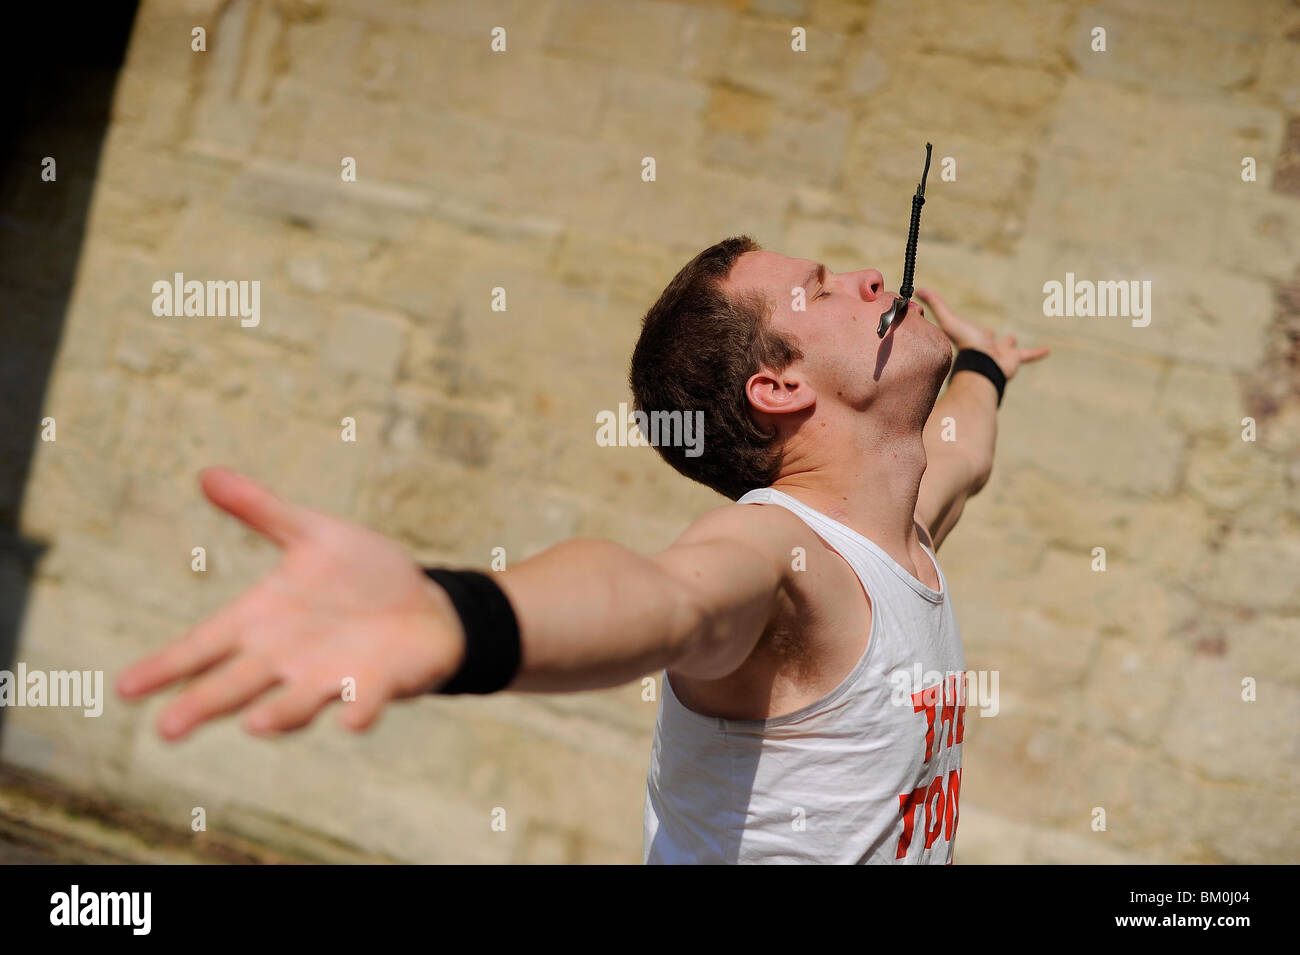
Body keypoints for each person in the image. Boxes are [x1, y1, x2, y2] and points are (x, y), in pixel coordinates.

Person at [116, 235, 1048, 864]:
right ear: (778, 385)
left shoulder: (903, 532)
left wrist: (985, 365)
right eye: (820, 290)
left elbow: (962, 448)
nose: (872, 280)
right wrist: (460, 613)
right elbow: (664, 596)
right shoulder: (781, 554)